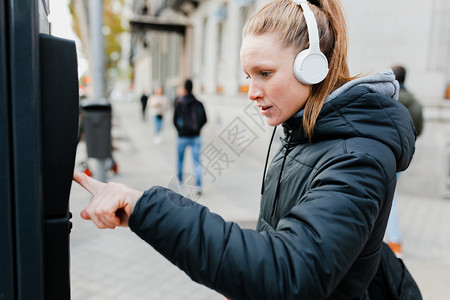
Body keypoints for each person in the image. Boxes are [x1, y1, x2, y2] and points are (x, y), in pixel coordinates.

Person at [73, 0, 420, 298]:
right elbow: (276, 238)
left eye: (264, 73)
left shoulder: (357, 157)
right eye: (247, 75)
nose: (252, 91)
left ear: (312, 67)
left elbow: (291, 274)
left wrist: (144, 206)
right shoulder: (300, 133)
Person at [385, 65, 424, 257]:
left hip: (385, 152)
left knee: (388, 197)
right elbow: (420, 130)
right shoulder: (415, 103)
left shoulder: (389, 98)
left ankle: (395, 242)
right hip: (403, 155)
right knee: (388, 195)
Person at [173, 79, 207, 194]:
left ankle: (180, 182)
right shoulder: (198, 103)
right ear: (192, 87)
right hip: (195, 136)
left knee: (180, 160)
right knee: (196, 161)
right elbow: (204, 119)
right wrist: (197, 129)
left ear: (184, 88)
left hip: (182, 137)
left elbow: (174, 120)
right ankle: (198, 186)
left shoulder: (179, 102)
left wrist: (180, 131)